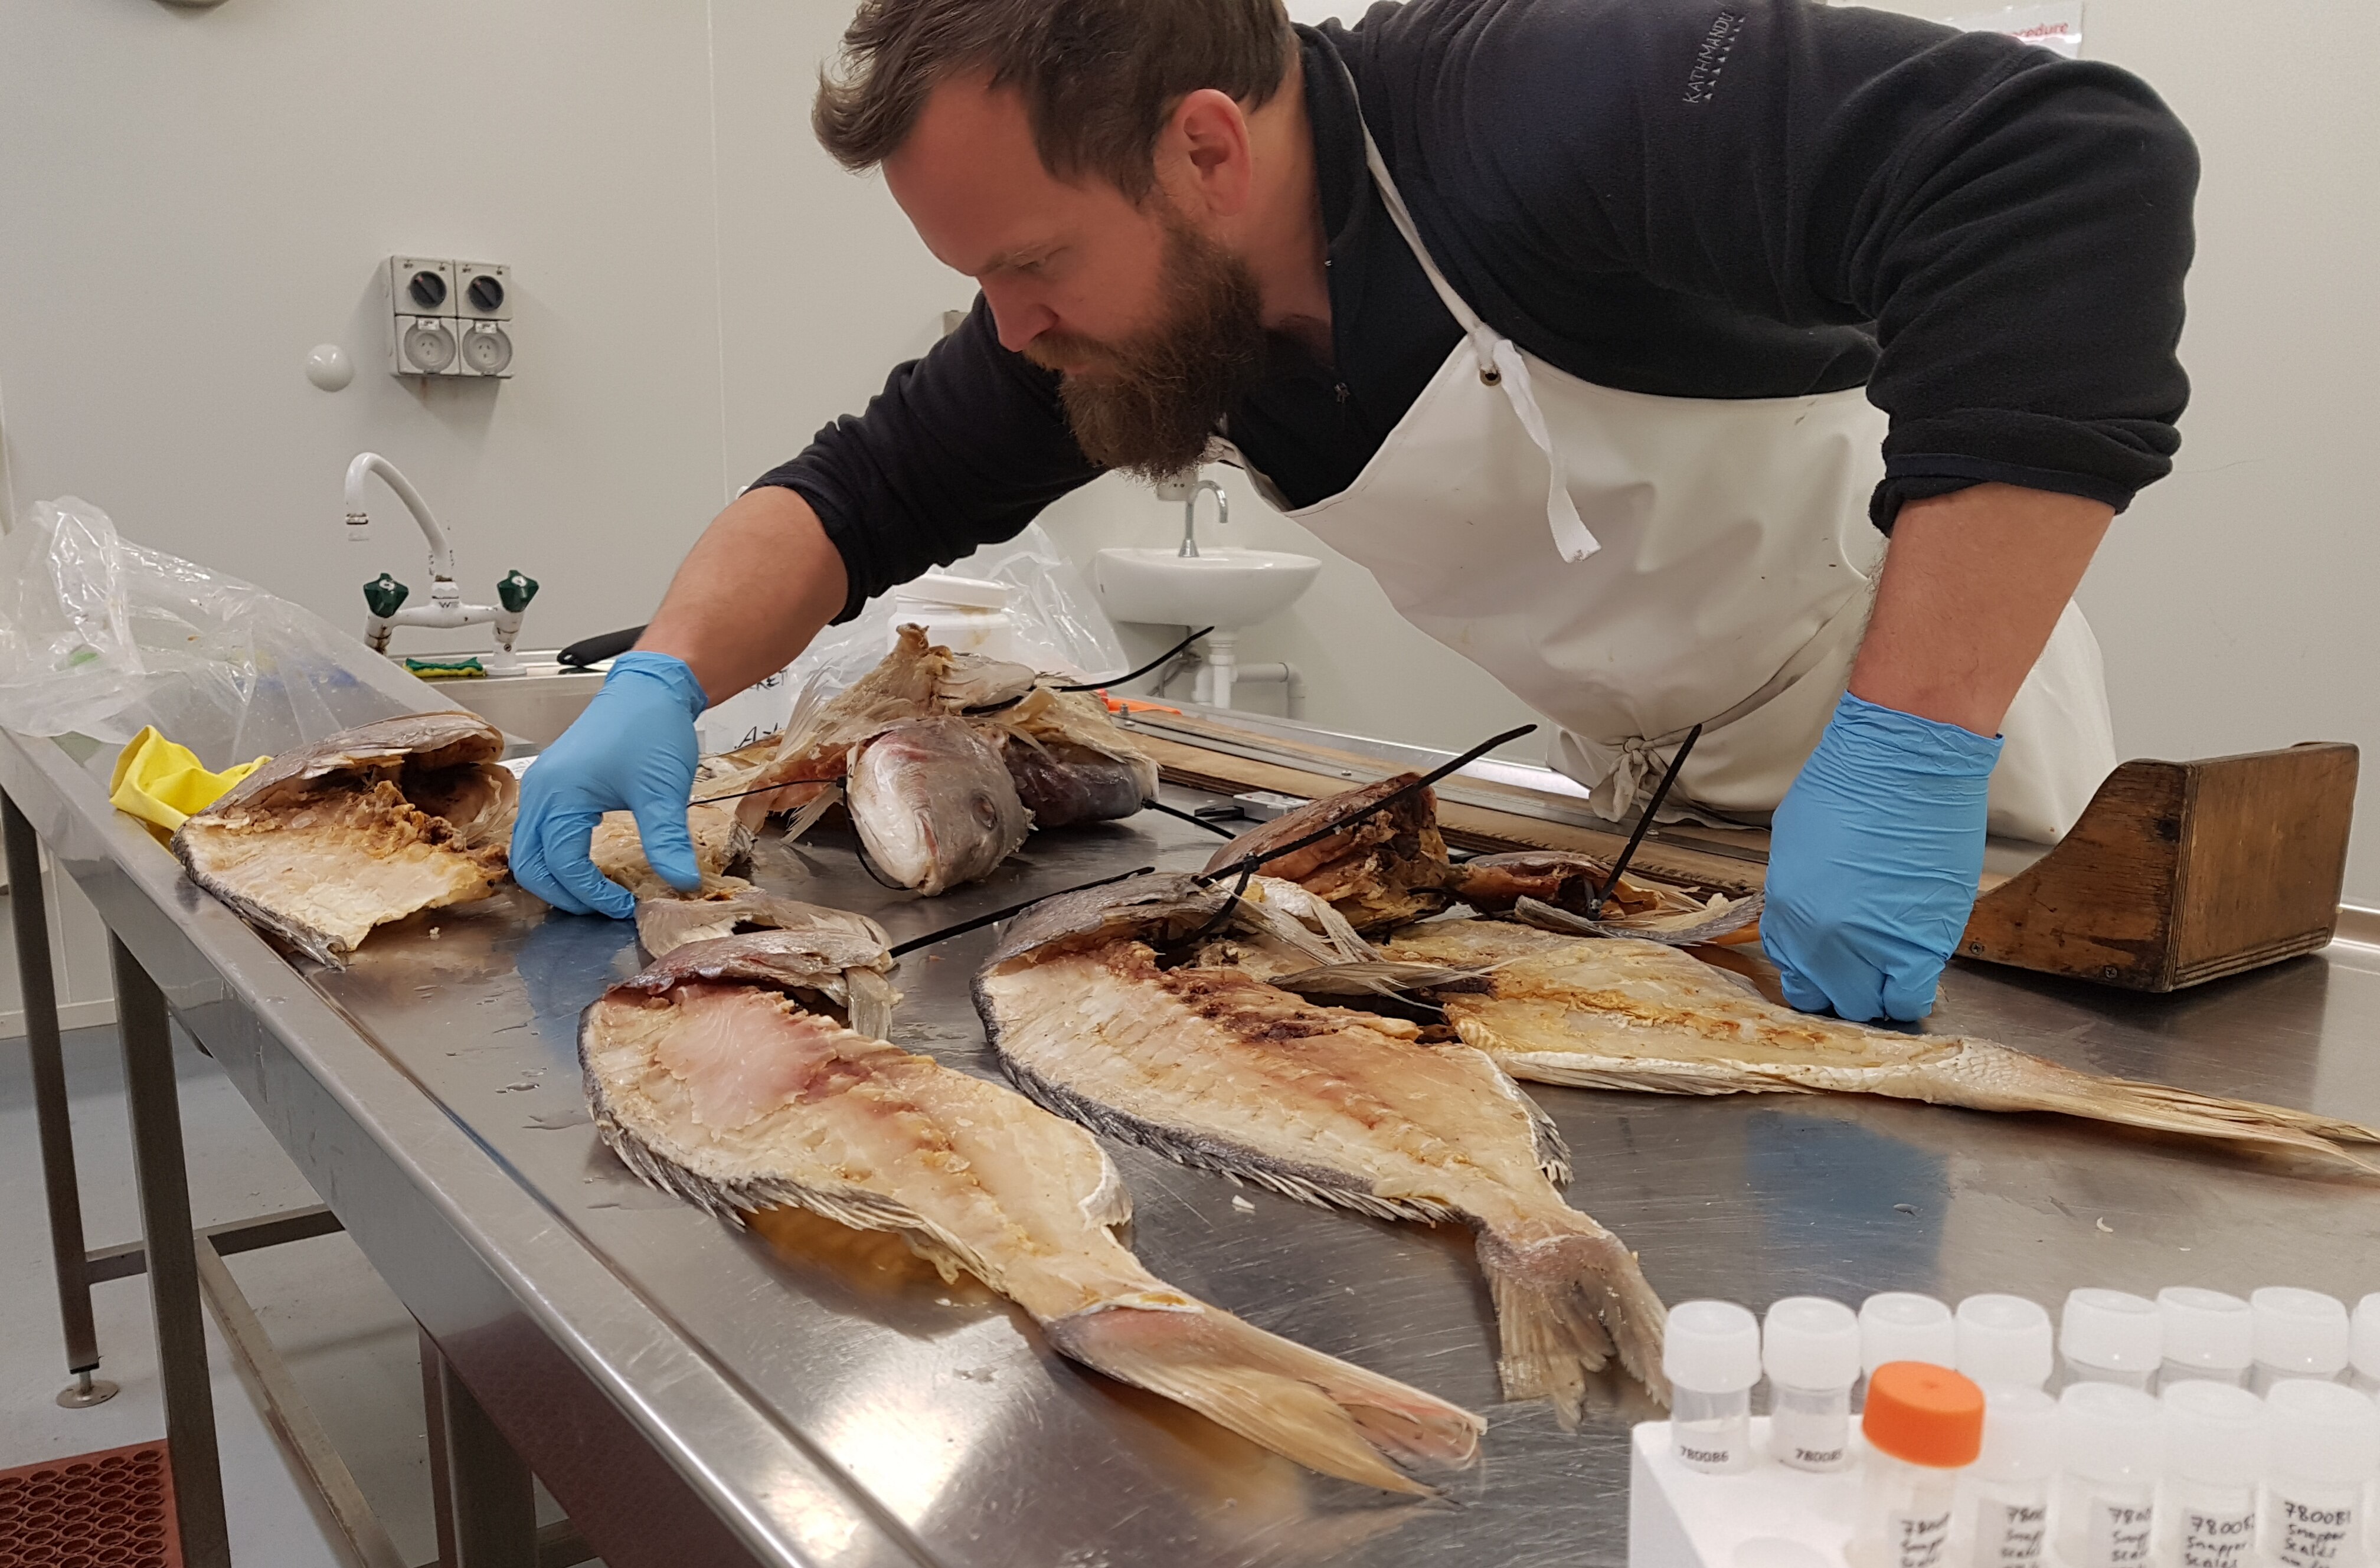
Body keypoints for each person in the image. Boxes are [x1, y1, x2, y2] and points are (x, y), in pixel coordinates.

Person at [511, 0, 2195, 1022]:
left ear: (1206, 149)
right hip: (1653, 826)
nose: (1009, 329)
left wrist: (1908, 756)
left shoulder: (1540, 108)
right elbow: (849, 494)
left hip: (1955, 834)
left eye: (1031, 265)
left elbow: (2061, 160)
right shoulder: (1123, 312)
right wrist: (658, 679)